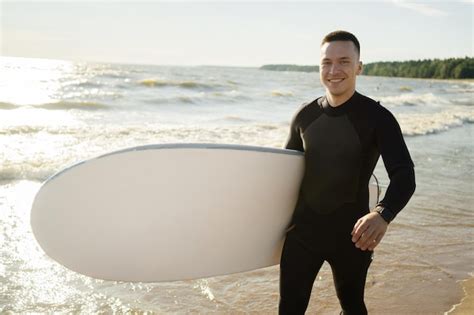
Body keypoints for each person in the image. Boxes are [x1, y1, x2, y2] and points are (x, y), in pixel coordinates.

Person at [279, 30, 416, 315]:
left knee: (352, 307)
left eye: (343, 61)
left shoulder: (378, 118)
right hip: (303, 234)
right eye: (326, 62)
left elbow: (404, 175)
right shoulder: (304, 116)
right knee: (289, 309)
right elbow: (284, 175)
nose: (334, 70)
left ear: (359, 67)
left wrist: (382, 214)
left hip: (354, 236)